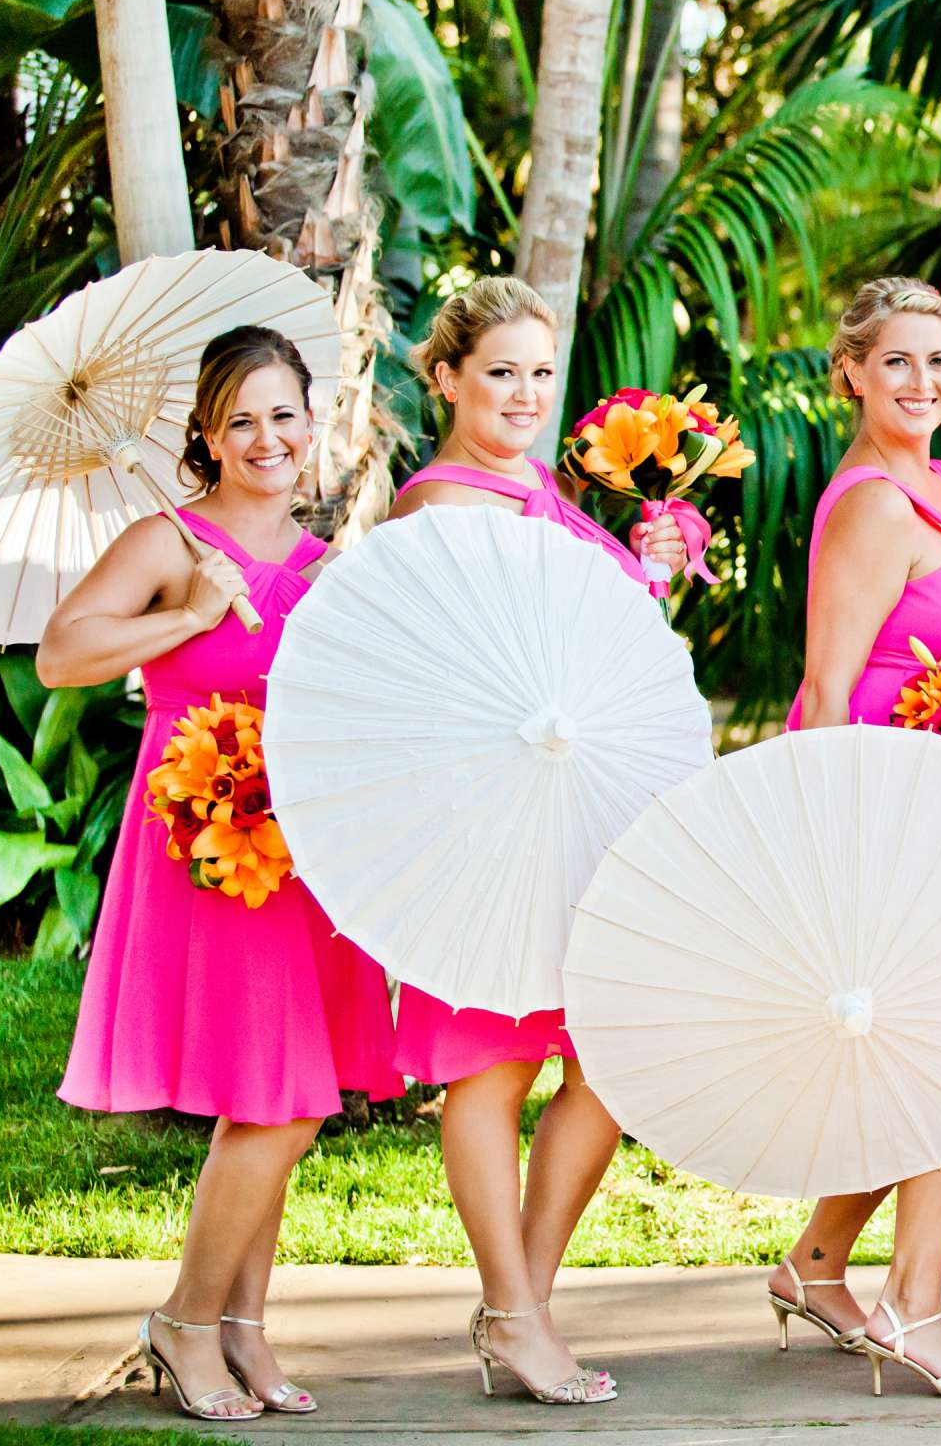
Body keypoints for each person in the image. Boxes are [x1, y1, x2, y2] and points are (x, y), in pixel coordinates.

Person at [48, 326, 400, 1421]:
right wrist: (191, 614)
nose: (268, 437)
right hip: (202, 843)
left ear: (315, 422)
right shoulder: (167, 543)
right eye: (241, 418)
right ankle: (186, 1321)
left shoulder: (329, 567)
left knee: (282, 1091)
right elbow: (64, 651)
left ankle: (245, 1327)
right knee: (279, 1101)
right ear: (206, 433)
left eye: (286, 414)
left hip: (301, 854)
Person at [385, 276, 688, 1406]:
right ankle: (514, 1311)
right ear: (449, 378)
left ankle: (523, 1302)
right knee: (494, 1062)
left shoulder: (545, 496)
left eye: (540, 373)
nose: (522, 392)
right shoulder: (447, 505)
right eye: (500, 371)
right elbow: (459, 676)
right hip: (491, 825)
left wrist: (645, 574)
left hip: (579, 819)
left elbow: (597, 657)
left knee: (605, 1061)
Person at [765, 277, 941, 1400]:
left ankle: (816, 1264)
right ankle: (913, 1307)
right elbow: (828, 687)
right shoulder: (870, 503)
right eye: (900, 363)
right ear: (852, 375)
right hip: (878, 807)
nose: (925, 384)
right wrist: (824, 846)